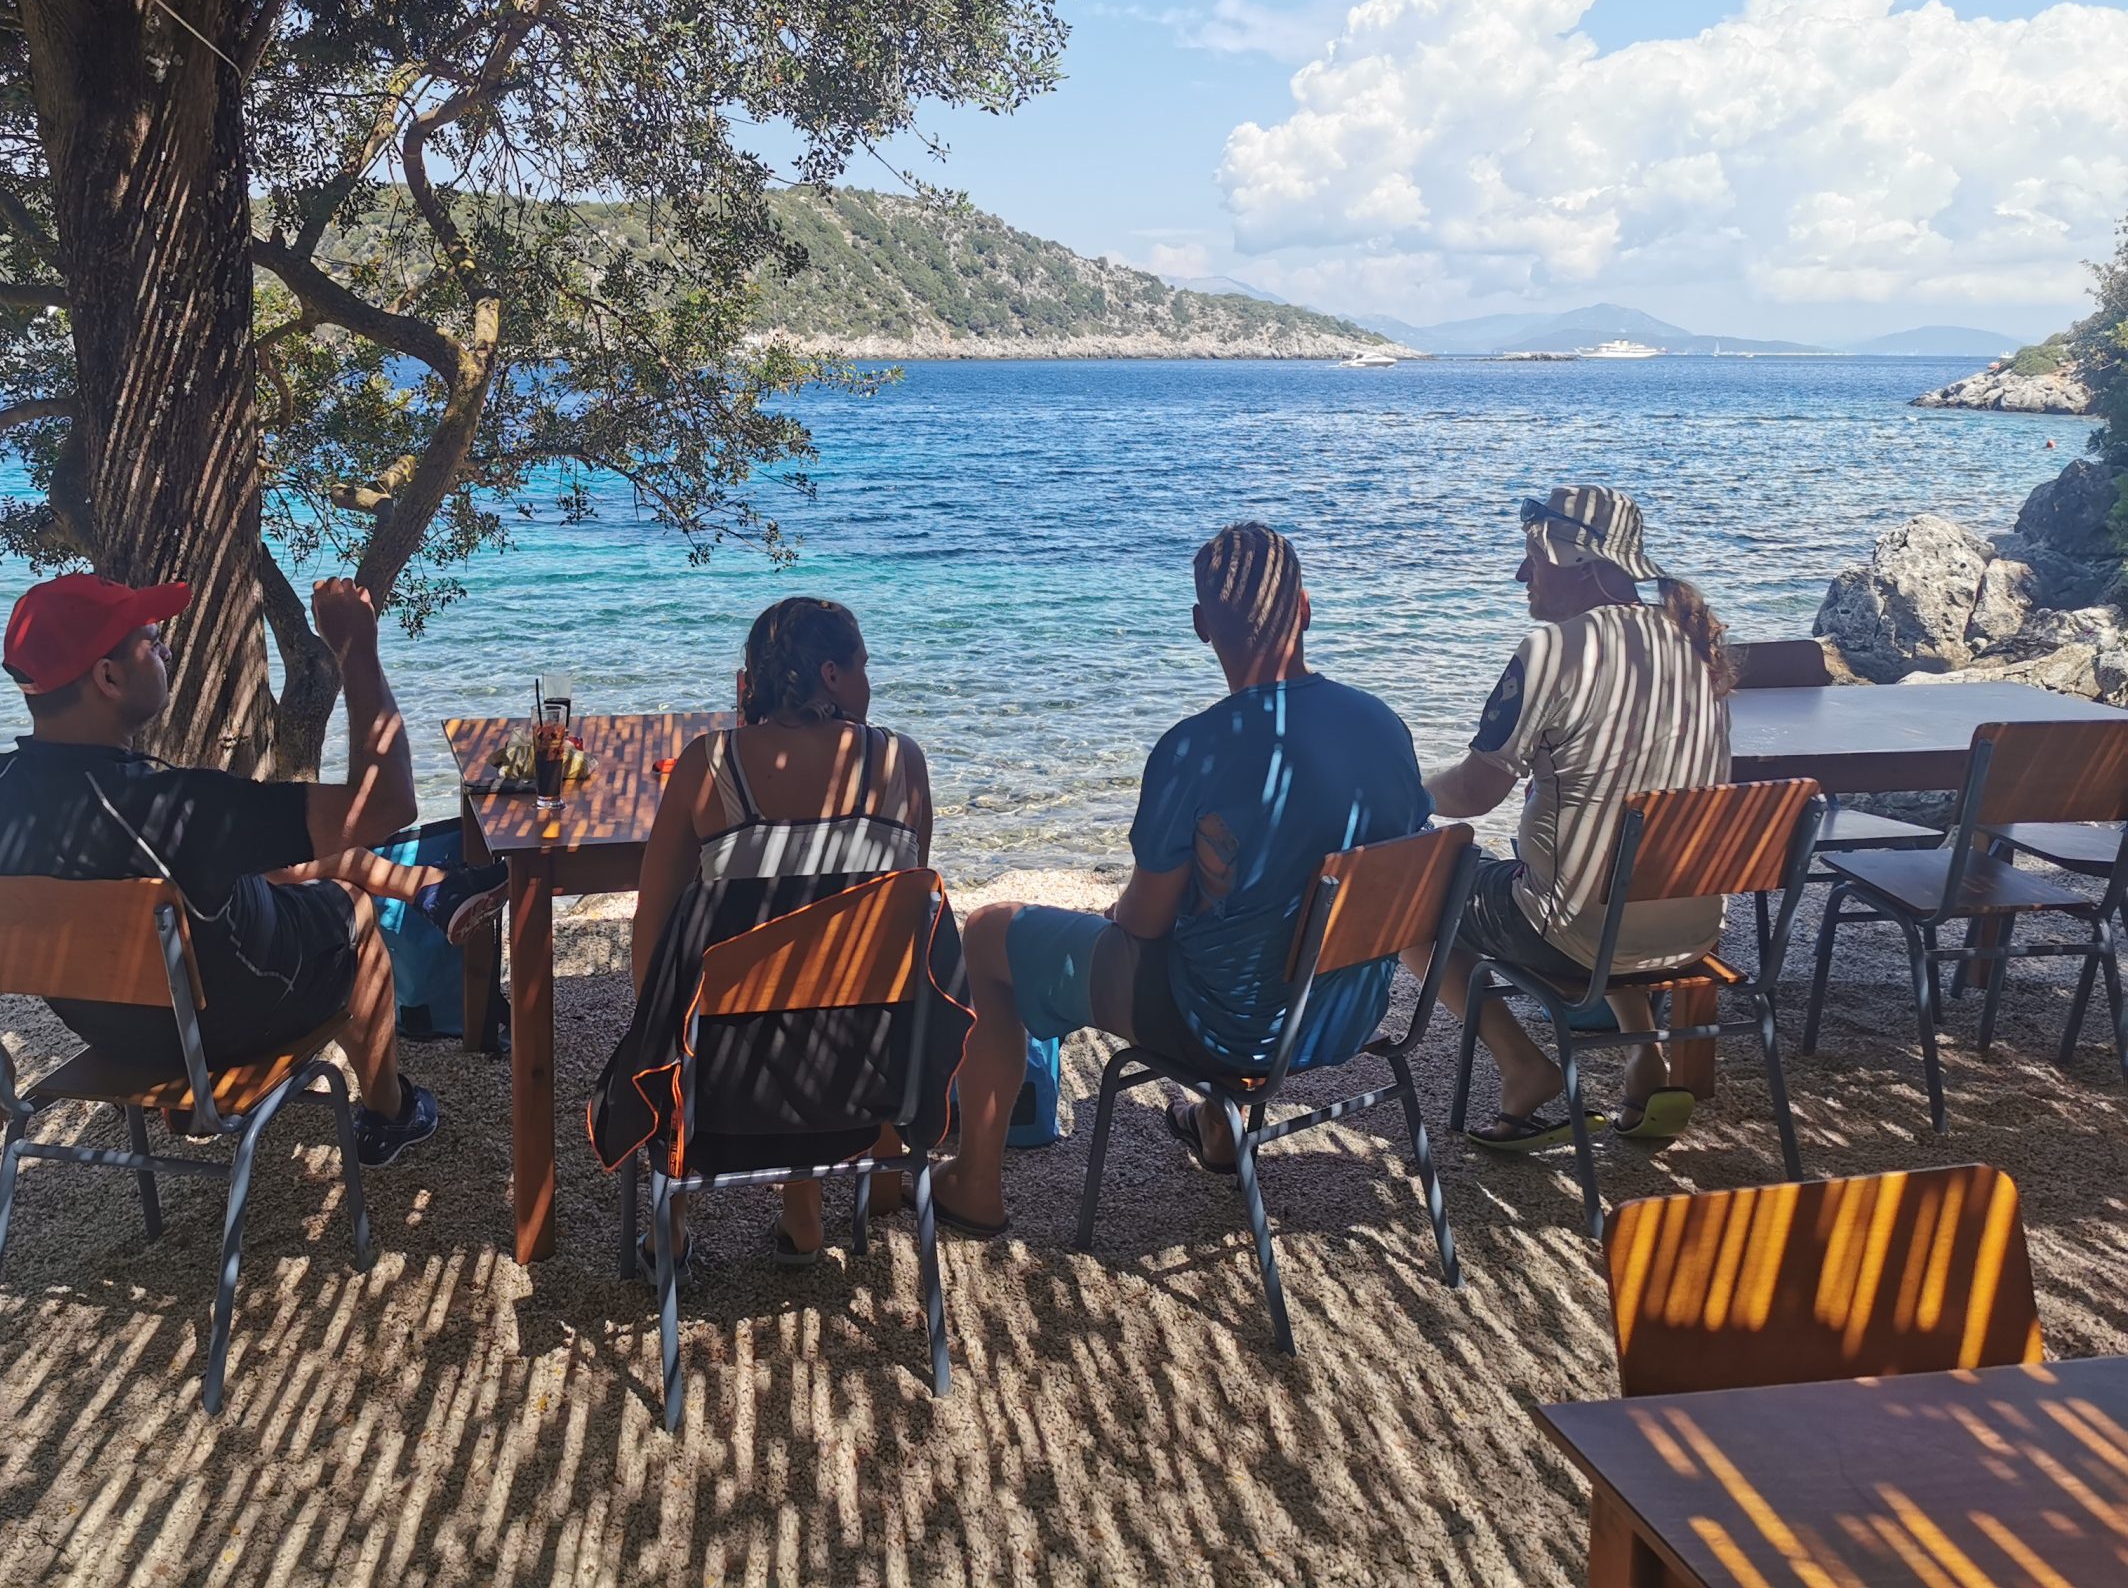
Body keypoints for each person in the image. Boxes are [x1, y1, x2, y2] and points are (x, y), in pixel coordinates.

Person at [936, 524, 1430, 1239]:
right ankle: (1220, 1130)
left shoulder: (1195, 748)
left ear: (1202, 627)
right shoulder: (1383, 725)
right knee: (1253, 926)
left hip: (1223, 1028)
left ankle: (975, 1183)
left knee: (985, 934)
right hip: (1345, 1012)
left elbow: (1143, 924)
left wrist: (1115, 911)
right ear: (1307, 608)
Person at [0, 571, 489, 1167]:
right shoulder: (178, 808)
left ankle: (428, 889)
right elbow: (386, 805)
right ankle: (390, 1113)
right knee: (351, 909)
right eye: (150, 642)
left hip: (116, 1033)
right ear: (107, 677)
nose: (167, 651)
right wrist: (356, 649)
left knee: (267, 865)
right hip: (225, 1029)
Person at [590, 597, 943, 1265]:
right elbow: (894, 927)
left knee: (692, 988)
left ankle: (670, 1229)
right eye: (864, 667)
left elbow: (654, 925)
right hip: (862, 1077)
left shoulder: (710, 766)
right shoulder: (904, 764)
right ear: (833, 676)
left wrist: (655, 1035)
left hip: (726, 1083)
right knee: (823, 977)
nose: (870, 683)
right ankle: (803, 1212)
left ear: (752, 681)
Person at [1421, 485, 1733, 1150]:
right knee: (1602, 849)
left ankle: (1524, 1068)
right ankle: (1648, 1062)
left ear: (1581, 566)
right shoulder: (1693, 646)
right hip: (1692, 923)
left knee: (1413, 896)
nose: (1518, 575)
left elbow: (1475, 793)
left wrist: (1399, 792)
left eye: (1531, 559)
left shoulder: (1552, 651)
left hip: (1579, 934)